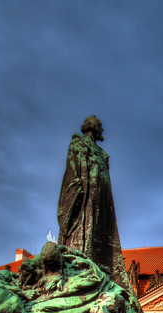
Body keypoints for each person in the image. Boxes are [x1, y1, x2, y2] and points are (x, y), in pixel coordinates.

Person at [56, 116, 132, 292]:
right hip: (84, 195)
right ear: (93, 128)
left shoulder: (101, 154)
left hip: (102, 200)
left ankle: (99, 268)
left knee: (101, 235)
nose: (103, 131)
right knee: (84, 231)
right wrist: (77, 191)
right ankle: (82, 268)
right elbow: (72, 171)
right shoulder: (78, 145)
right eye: (100, 127)